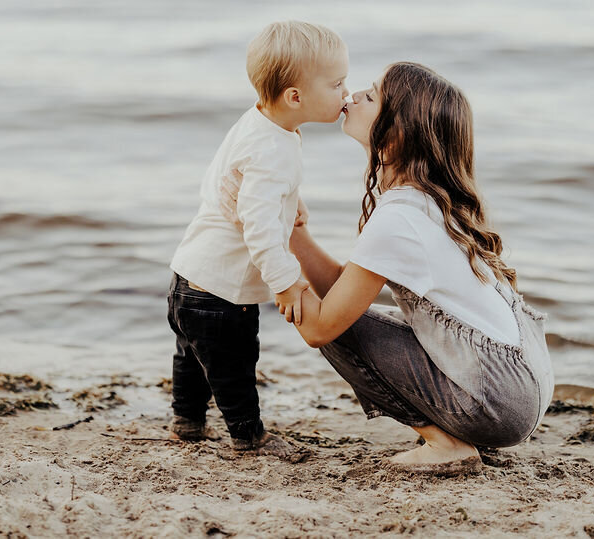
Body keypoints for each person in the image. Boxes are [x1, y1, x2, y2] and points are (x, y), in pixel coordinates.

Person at [224, 61, 554, 475]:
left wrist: (282, 276)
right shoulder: (427, 200)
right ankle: (452, 432)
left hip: (499, 400)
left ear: (398, 134)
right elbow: (344, 288)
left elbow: (321, 328)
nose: (354, 95)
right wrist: (292, 233)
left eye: (373, 94)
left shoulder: (399, 216)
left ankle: (446, 442)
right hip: (522, 387)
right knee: (342, 311)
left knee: (333, 326)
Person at [167, 21, 350, 456]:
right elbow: (259, 225)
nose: (347, 93)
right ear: (296, 97)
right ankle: (249, 437)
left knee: (191, 358)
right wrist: (287, 282)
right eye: (338, 84)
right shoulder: (271, 150)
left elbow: (249, 183)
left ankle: (187, 422)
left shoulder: (262, 124)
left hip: (190, 274)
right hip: (221, 291)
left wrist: (292, 198)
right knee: (234, 365)